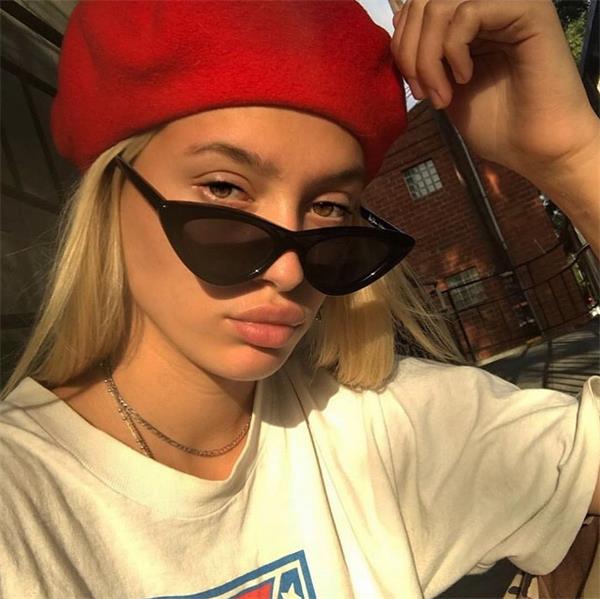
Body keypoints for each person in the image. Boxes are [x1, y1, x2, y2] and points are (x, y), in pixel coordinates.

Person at [1, 1, 598, 597]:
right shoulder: (21, 502)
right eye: (224, 188)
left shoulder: (387, 429)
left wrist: (573, 157)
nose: (289, 271)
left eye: (329, 207)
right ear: (111, 195)